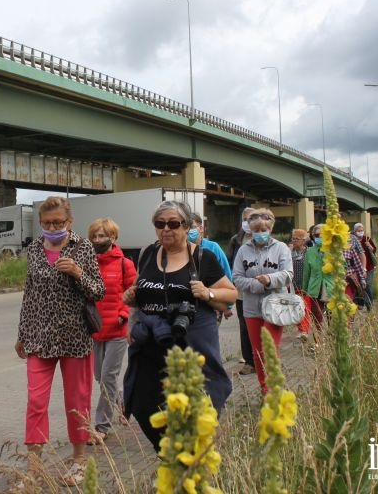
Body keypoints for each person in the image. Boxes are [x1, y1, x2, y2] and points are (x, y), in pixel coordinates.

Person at [122, 201, 237, 450]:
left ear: (186, 227)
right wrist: (131, 300)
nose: (166, 229)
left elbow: (231, 294)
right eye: (160, 224)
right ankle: (169, 455)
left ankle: (189, 460)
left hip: (190, 345)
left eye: (173, 224)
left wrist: (208, 293)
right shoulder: (148, 253)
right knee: (143, 406)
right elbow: (138, 288)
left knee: (193, 405)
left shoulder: (202, 257)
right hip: (151, 345)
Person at [15, 196, 104, 487]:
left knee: (76, 401)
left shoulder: (83, 247)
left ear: (70, 222)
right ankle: (34, 467)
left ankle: (79, 460)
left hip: (74, 337)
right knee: (35, 401)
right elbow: (30, 293)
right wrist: (21, 334)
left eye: (58, 222)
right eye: (47, 223)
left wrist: (77, 272)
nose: (52, 227)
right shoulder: (34, 249)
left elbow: (98, 291)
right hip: (39, 337)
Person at [86, 217, 136, 444]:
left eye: (102, 236)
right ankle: (124, 403)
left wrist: (123, 314)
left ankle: (102, 426)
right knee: (100, 376)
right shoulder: (87, 264)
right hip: (95, 330)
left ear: (113, 237)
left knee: (107, 377)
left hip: (117, 330)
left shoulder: (124, 263)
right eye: (94, 236)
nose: (98, 240)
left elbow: (134, 293)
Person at [231, 209, 293, 393]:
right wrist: (257, 285)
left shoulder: (281, 248)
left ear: (270, 228)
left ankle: (275, 387)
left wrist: (270, 280)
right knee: (257, 352)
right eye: (256, 230)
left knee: (270, 349)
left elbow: (288, 274)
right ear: (251, 231)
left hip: (275, 306)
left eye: (263, 229)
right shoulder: (243, 250)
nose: (260, 233)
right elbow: (237, 277)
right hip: (251, 308)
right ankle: (265, 387)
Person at [225, 206, 257, 374]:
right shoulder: (236, 240)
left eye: (251, 219)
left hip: (260, 291)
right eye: (245, 219)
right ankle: (249, 362)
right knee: (244, 326)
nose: (248, 223)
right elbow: (229, 262)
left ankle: (262, 359)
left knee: (261, 326)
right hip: (241, 291)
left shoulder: (263, 238)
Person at [301, 224, 329, 332]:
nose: (320, 237)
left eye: (323, 235)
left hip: (331, 287)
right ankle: (319, 343)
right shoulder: (310, 251)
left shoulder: (334, 250)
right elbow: (306, 272)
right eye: (317, 235)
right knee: (317, 318)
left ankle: (332, 341)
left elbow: (343, 267)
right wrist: (304, 289)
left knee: (332, 318)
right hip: (314, 288)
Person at [289, 228, 313, 341]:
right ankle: (301, 329)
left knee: (304, 308)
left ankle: (304, 331)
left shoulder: (309, 252)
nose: (293, 241)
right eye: (293, 238)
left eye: (296, 239)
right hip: (293, 286)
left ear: (303, 241)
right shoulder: (289, 252)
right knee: (296, 308)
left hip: (306, 286)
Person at [353, 222, 378, 302]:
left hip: (369, 266)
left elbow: (374, 250)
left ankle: (370, 303)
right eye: (358, 230)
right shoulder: (353, 240)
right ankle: (361, 302)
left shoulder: (367, 239)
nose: (360, 232)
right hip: (357, 267)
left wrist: (369, 246)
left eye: (361, 230)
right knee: (359, 285)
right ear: (354, 231)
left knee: (368, 285)